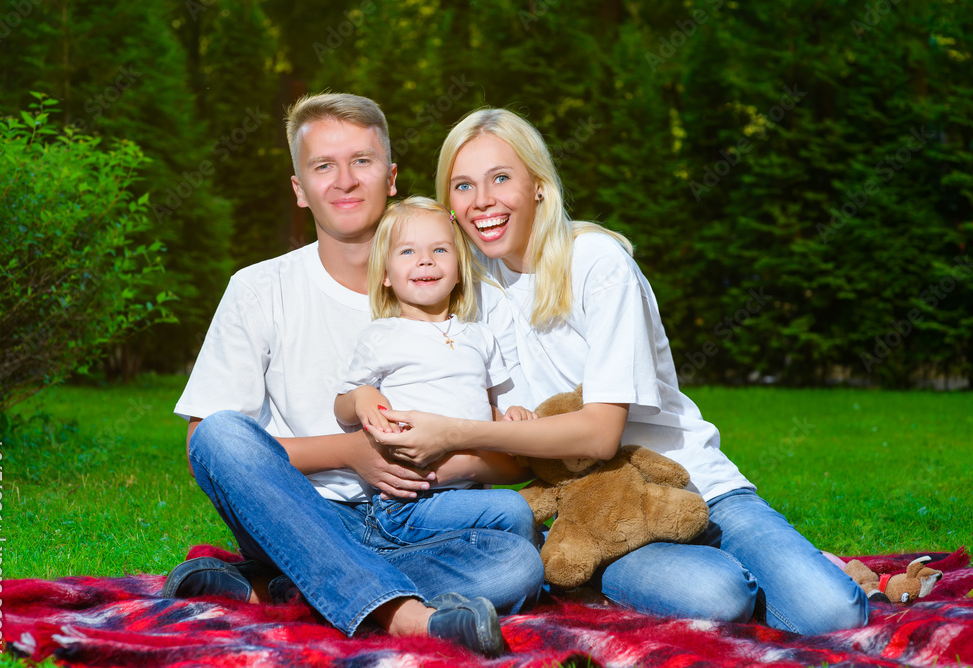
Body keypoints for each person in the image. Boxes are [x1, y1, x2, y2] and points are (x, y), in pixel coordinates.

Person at [371, 107, 870, 636]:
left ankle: (770, 568)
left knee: (835, 614)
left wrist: (454, 434)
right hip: (595, 514)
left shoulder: (597, 263)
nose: (483, 200)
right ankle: (602, 573)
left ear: (538, 185)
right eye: (463, 185)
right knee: (722, 595)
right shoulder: (468, 292)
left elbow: (600, 434)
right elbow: (504, 433)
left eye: (501, 178)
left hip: (694, 482)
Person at [161, 94, 543, 657]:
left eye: (362, 161)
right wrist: (351, 453)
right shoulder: (258, 289)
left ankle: (284, 587)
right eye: (323, 166)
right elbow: (210, 449)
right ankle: (407, 617)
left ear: (390, 177)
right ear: (299, 188)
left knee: (517, 564)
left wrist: (431, 463)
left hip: (425, 516)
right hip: (297, 513)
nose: (344, 180)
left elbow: (513, 452)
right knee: (220, 430)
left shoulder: (462, 294)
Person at [334, 195, 539, 547]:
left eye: (440, 251)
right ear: (384, 274)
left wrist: (511, 418)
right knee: (514, 510)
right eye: (408, 252)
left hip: (473, 493)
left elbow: (482, 409)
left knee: (520, 515)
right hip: (408, 502)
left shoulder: (480, 336)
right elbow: (341, 407)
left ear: (459, 269)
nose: (425, 260)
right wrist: (361, 396)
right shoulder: (381, 335)